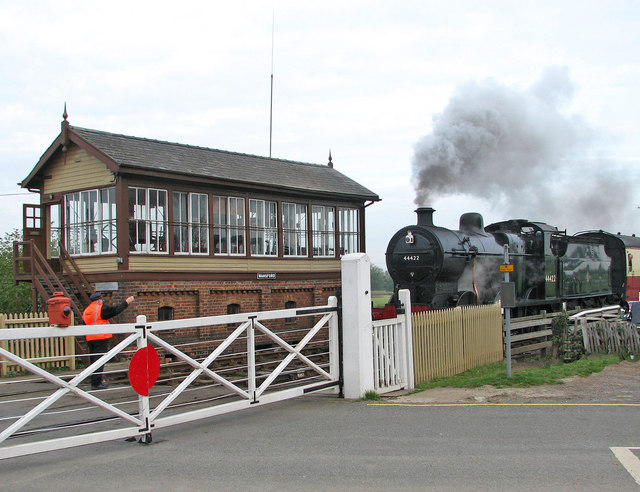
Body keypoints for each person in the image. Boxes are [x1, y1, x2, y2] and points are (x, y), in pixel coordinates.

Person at [82, 292, 134, 390]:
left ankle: (95, 381)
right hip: (101, 337)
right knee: (100, 361)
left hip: (90, 338)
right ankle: (96, 383)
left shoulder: (86, 310)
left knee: (93, 361)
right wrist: (126, 302)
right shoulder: (100, 308)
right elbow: (115, 310)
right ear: (98, 300)